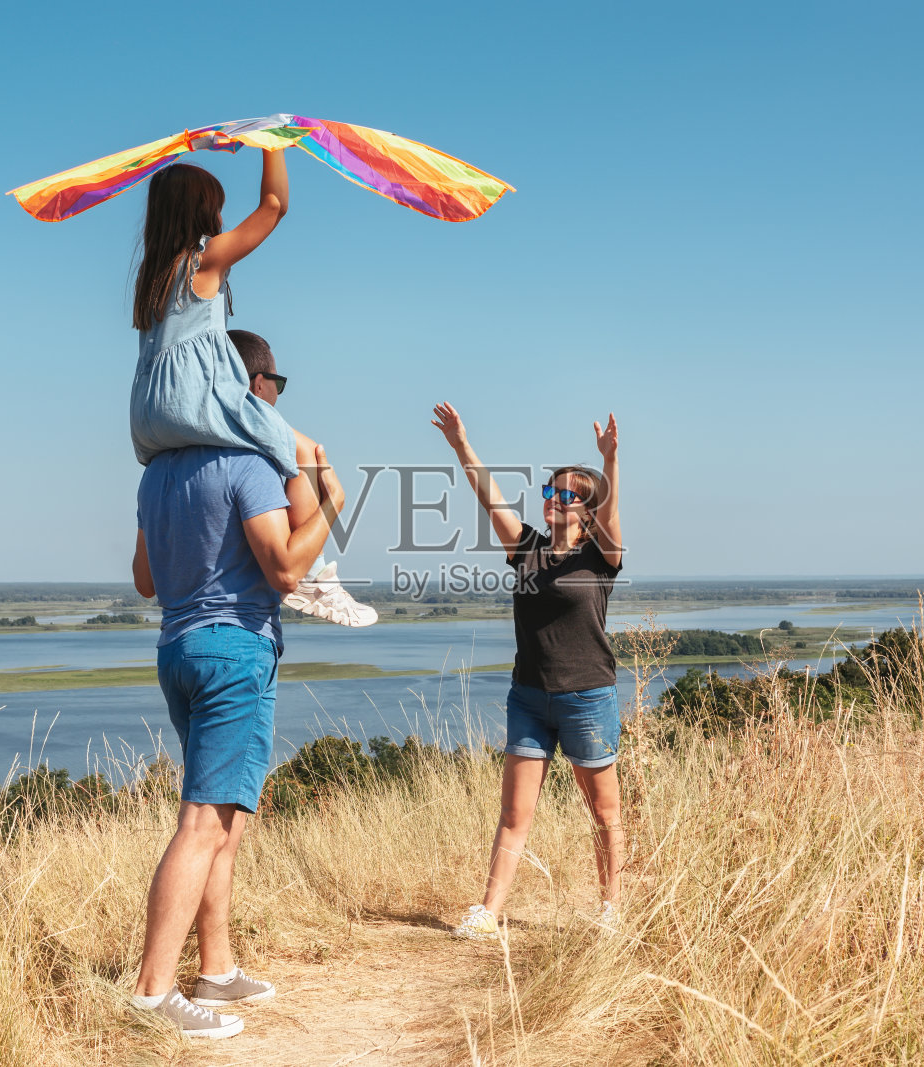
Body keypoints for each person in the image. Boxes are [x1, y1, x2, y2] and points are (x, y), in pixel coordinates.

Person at [125, 347, 348, 1040]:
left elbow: (144, 579)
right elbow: (284, 568)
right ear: (244, 386)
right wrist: (332, 496)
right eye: (272, 383)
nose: (275, 396)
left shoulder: (160, 472)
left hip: (179, 649)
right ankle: (151, 994)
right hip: (234, 653)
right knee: (202, 823)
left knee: (224, 820)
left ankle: (216, 967)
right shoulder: (247, 464)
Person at [130, 150, 374, 627]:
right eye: (215, 208)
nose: (221, 219)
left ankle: (315, 575)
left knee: (287, 443)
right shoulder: (202, 263)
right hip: (193, 404)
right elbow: (274, 207)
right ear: (200, 213)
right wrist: (274, 143)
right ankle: (317, 576)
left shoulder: (151, 278)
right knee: (301, 449)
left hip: (150, 416)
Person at [429, 402, 625, 938]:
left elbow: (611, 518)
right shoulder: (527, 549)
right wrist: (461, 444)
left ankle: (611, 908)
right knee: (515, 814)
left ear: (587, 509)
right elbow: (487, 495)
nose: (553, 501)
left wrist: (610, 461)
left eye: (566, 495)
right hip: (530, 698)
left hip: (587, 695)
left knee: (604, 812)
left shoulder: (602, 556)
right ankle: (489, 911)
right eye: (549, 492)